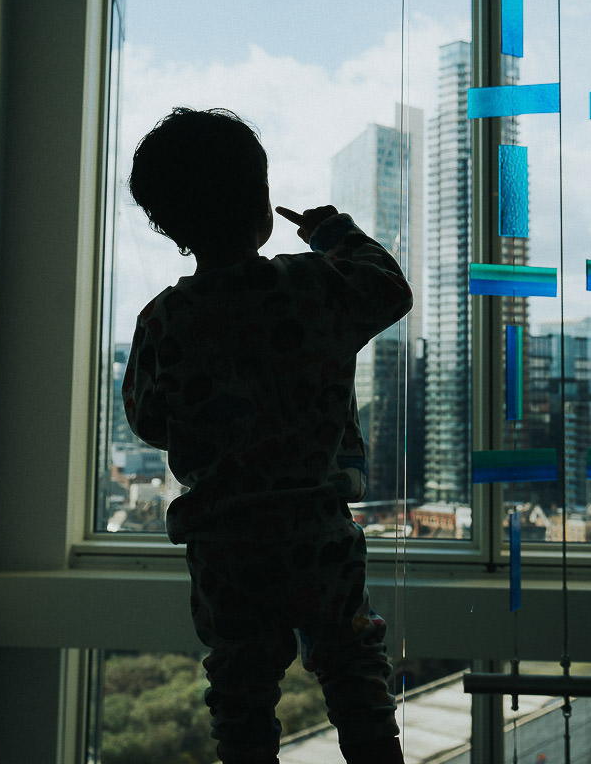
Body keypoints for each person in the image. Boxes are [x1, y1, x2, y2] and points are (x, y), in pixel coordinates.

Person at [122, 107, 411, 764]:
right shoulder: (310, 287)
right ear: (262, 201)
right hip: (316, 527)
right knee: (353, 673)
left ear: (171, 228)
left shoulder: (164, 320)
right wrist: (332, 231)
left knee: (241, 692)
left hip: (224, 539)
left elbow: (145, 417)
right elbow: (389, 289)